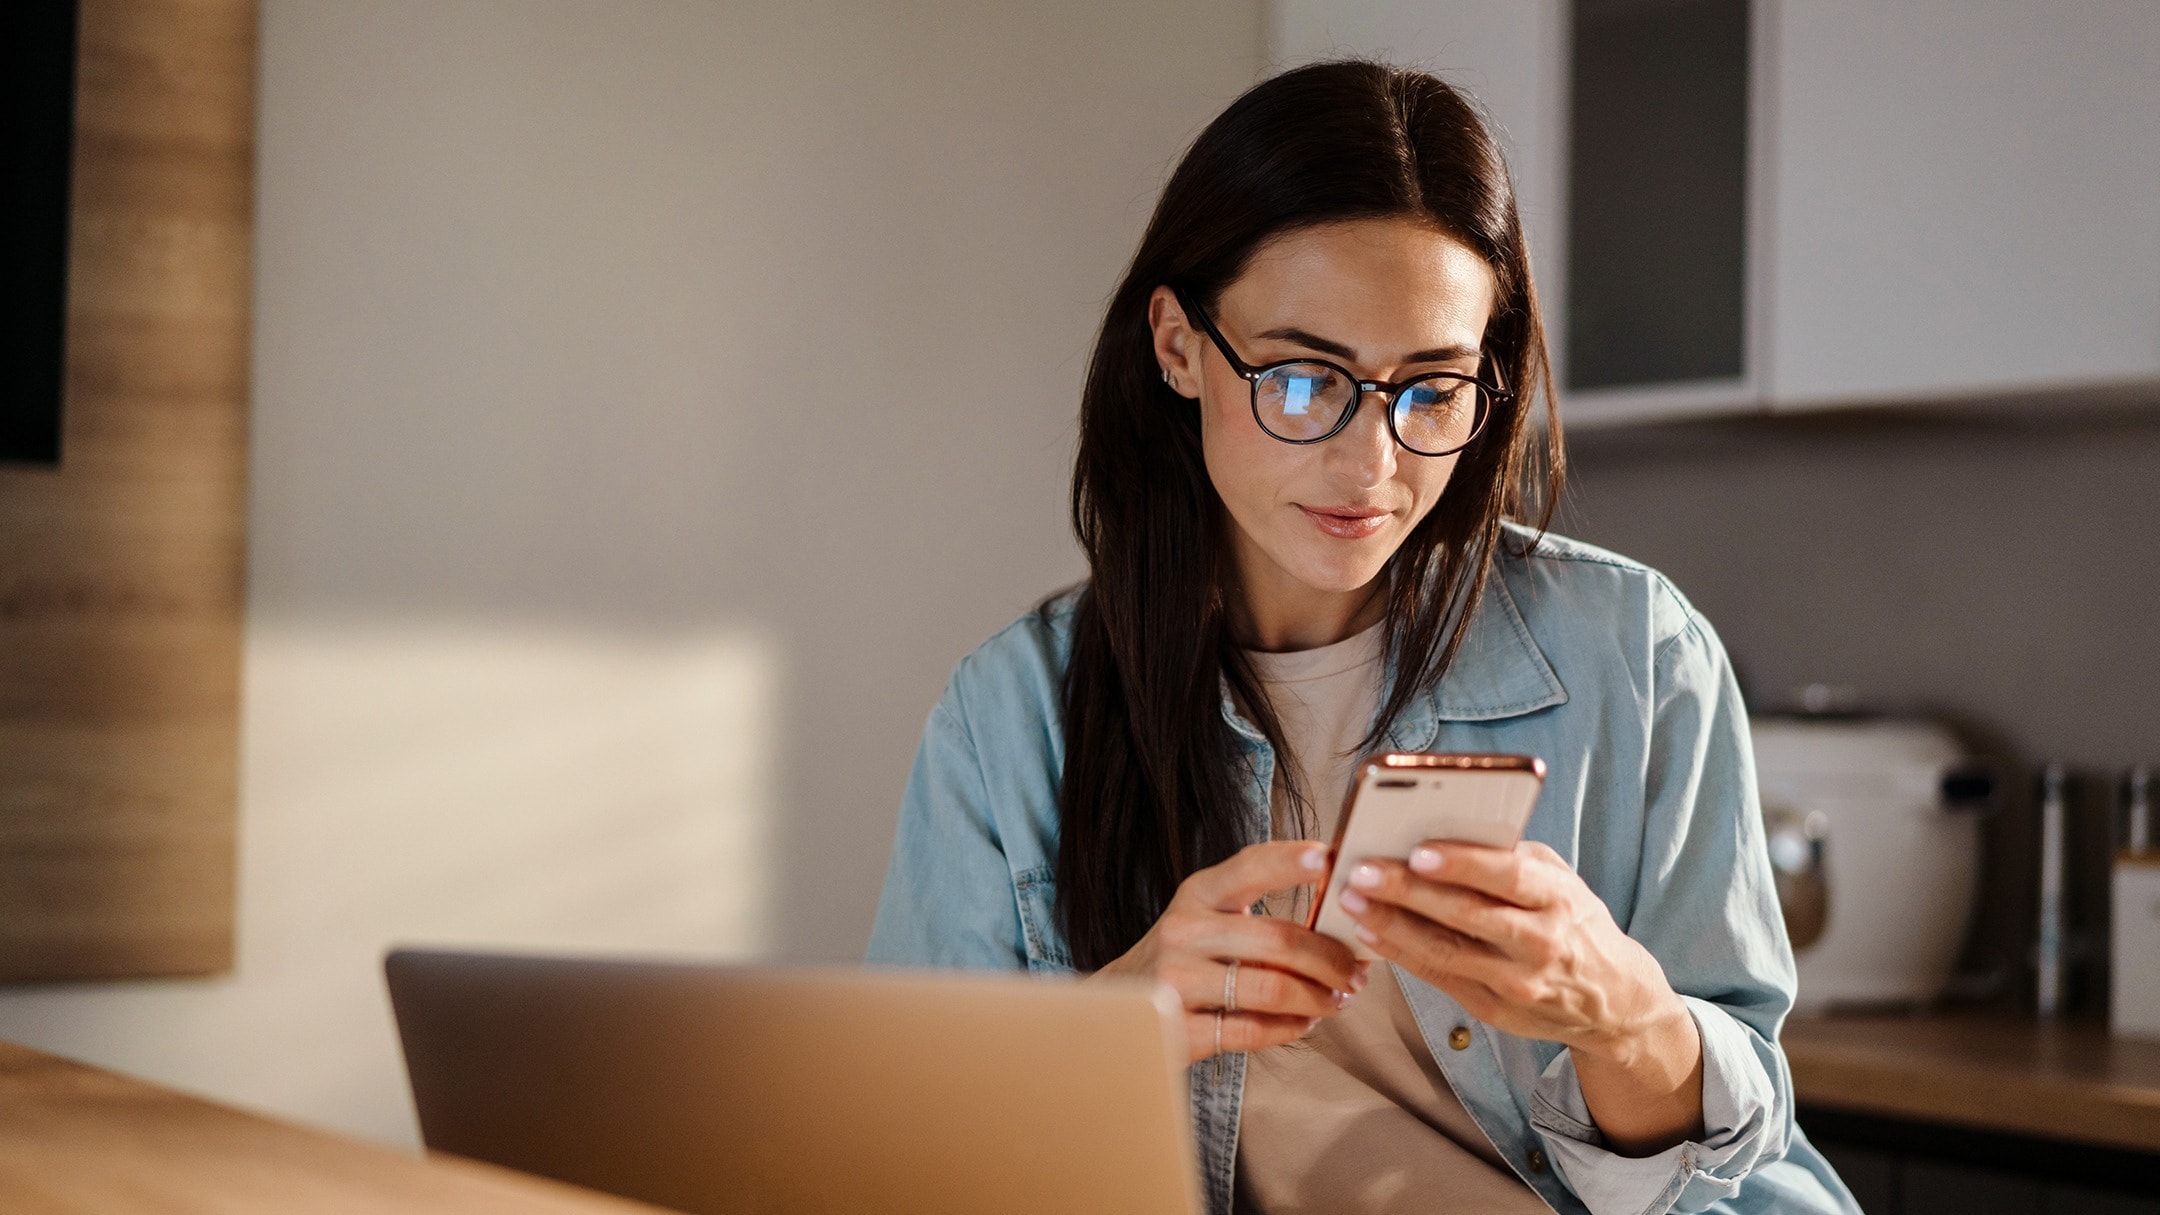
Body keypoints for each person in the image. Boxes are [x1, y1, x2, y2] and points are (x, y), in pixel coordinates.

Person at [867, 59, 1857, 1215]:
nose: (1370, 466)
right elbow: (905, 1149)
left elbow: (1728, 1162)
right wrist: (1115, 1023)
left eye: (1430, 390)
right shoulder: (1013, 717)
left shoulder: (1638, 655)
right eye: (1301, 380)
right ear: (1178, 345)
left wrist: (1618, 1011)